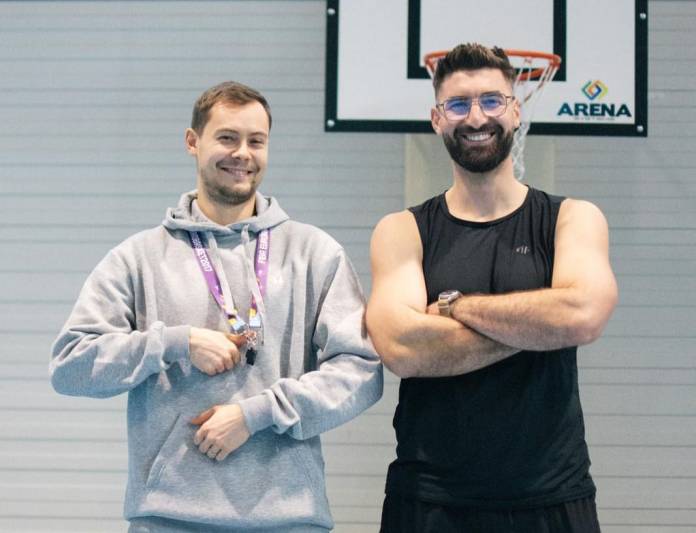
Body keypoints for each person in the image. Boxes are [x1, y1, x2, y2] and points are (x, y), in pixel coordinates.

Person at [50, 81, 383, 533]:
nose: (242, 153)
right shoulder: (139, 258)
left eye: (256, 141)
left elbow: (361, 373)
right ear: (193, 142)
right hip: (168, 518)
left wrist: (258, 414)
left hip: (289, 518)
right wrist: (175, 342)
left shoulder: (314, 254)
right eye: (227, 138)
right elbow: (70, 366)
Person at [366, 43, 618, 533]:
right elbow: (402, 349)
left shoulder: (571, 218)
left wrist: (454, 308)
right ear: (437, 119)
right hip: (429, 499)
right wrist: (541, 325)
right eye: (458, 104)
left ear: (515, 110)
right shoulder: (402, 230)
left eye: (491, 101)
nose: (476, 117)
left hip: (551, 496)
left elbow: (583, 315)